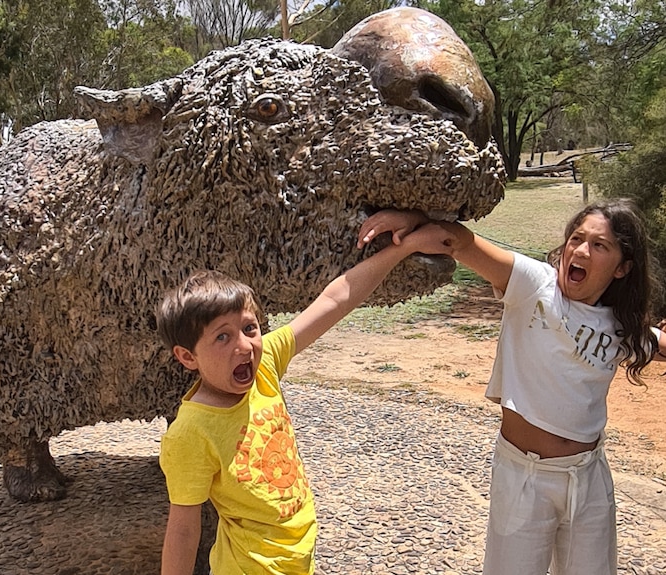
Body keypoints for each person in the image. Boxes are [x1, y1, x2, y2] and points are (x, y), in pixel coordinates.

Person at [358, 198, 661, 575]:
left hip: (588, 477)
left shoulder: (621, 326)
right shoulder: (534, 285)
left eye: (600, 246)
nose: (581, 251)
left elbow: (654, 344)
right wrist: (412, 219)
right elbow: (462, 243)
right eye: (576, 239)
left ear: (622, 268)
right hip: (524, 478)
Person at [155, 226, 453, 575]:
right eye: (222, 336)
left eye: (250, 328)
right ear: (187, 356)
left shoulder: (263, 367)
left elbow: (335, 299)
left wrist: (407, 248)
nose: (245, 345)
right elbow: (183, 529)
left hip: (299, 559)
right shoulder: (190, 433)